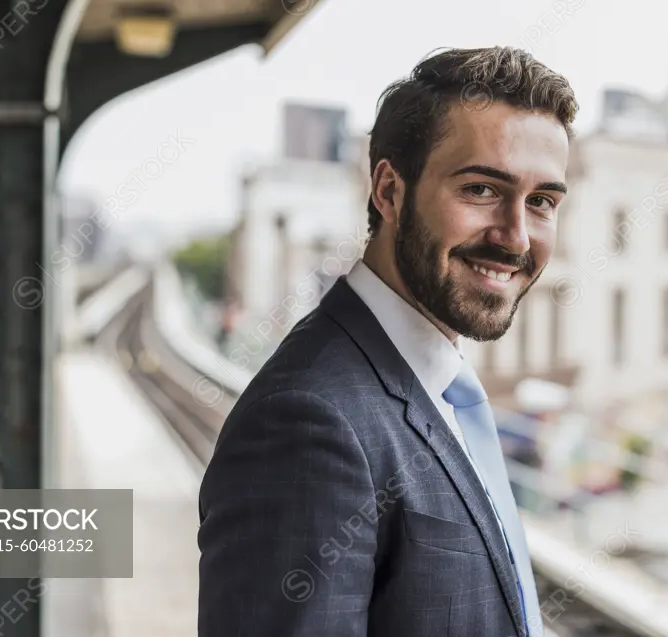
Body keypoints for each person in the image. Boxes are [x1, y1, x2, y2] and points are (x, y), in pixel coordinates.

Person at [198, 46, 577, 637]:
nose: (516, 237)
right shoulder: (307, 423)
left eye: (542, 202)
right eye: (480, 190)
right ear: (389, 191)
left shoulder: (443, 391)